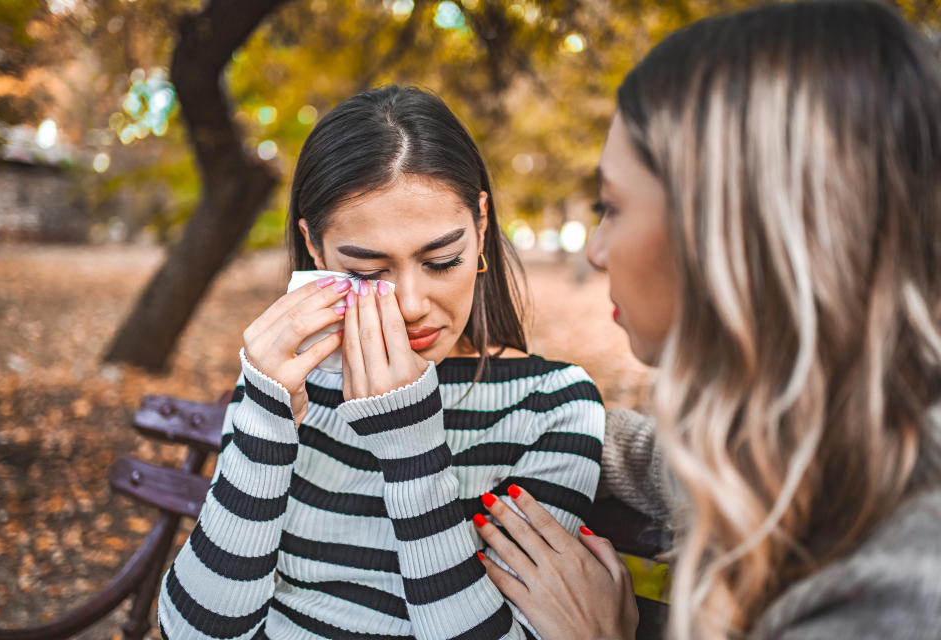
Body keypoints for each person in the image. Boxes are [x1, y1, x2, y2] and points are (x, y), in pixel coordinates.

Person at [474, 2, 941, 639]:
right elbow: (657, 459)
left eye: (611, 206)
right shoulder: (820, 447)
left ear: (731, 233)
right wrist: (513, 401)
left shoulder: (899, 589)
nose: (595, 251)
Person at [157, 86, 606, 640]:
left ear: (482, 224)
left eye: (442, 260)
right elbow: (196, 631)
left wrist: (411, 450)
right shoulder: (288, 381)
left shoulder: (552, 405)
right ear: (315, 249)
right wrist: (262, 425)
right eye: (370, 272)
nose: (412, 303)